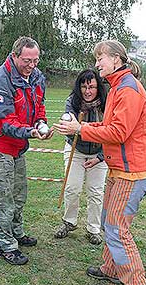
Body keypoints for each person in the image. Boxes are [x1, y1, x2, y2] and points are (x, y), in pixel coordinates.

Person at [54, 39, 146, 285]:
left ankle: (135, 280)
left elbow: (119, 132)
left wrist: (82, 128)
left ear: (116, 59)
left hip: (131, 172)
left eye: (101, 58)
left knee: (117, 228)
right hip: (119, 169)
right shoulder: (117, 87)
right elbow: (108, 125)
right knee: (109, 220)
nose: (97, 63)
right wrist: (81, 128)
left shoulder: (128, 89)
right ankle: (111, 269)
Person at [0, 36, 53, 265]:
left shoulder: (36, 77)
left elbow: (39, 106)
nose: (32, 65)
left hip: (18, 146)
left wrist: (40, 123)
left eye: (36, 60)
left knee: (19, 193)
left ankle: (16, 233)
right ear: (15, 55)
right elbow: (5, 122)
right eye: (27, 60)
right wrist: (31, 132)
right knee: (3, 197)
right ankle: (5, 246)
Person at [54, 69, 108, 245]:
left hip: (100, 154)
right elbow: (69, 126)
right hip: (75, 150)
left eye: (92, 86)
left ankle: (93, 228)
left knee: (96, 192)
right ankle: (69, 222)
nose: (88, 91)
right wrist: (71, 125)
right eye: (84, 86)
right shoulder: (72, 102)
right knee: (72, 188)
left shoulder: (107, 104)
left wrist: (101, 156)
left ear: (98, 87)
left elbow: (111, 133)